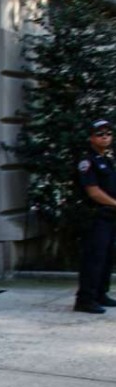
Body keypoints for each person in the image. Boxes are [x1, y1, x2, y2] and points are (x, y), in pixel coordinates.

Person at [74, 118, 116, 314]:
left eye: (108, 133)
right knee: (94, 257)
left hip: (109, 216)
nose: (105, 137)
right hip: (95, 216)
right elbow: (93, 191)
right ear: (91, 137)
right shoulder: (87, 162)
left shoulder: (105, 159)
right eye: (100, 134)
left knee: (107, 257)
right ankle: (85, 298)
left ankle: (100, 293)